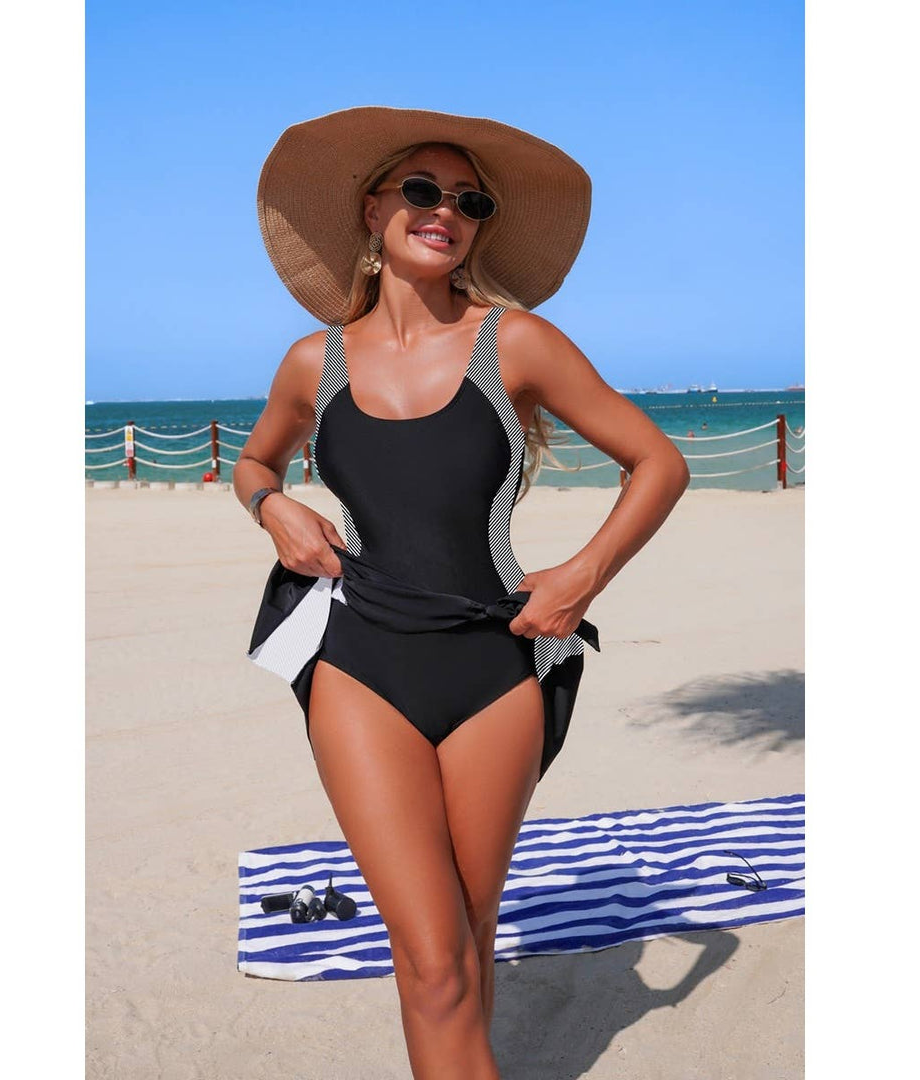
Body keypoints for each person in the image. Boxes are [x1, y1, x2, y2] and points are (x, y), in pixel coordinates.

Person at [234, 106, 689, 1080]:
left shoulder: (516, 343)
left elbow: (658, 462)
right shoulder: (315, 362)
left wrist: (581, 576)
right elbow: (254, 461)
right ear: (372, 209)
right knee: (434, 958)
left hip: (494, 669)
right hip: (361, 666)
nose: (446, 211)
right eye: (423, 190)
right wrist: (274, 508)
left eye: (470, 202)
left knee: (468, 934)